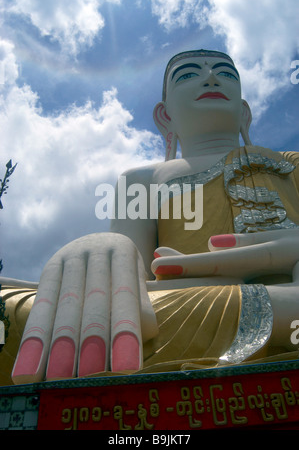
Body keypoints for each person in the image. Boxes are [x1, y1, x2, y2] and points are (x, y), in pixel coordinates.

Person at [1, 49, 299, 387]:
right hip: (186, 301)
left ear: (243, 111)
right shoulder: (142, 179)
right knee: (14, 311)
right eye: (188, 74)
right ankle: (277, 313)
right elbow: (135, 285)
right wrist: (102, 251)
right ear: (165, 116)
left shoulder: (292, 163)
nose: (211, 78)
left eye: (226, 74)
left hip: (234, 303)